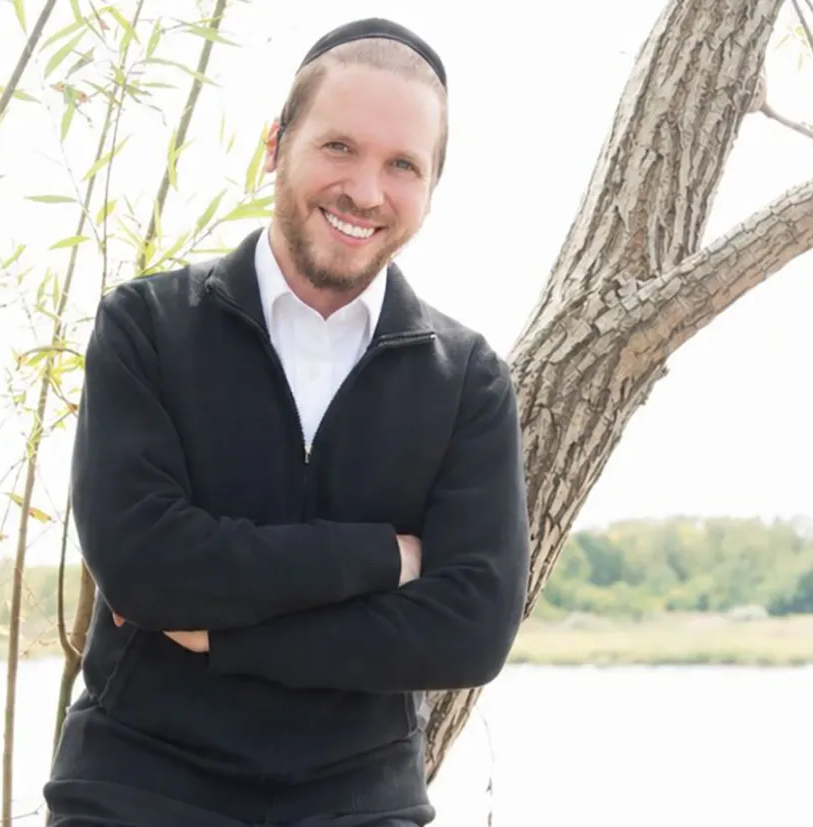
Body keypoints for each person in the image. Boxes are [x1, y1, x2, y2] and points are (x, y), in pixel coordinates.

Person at [44, 16, 530, 827]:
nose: (366, 191)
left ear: (431, 189)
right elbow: (145, 568)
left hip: (359, 803)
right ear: (277, 142)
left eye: (402, 164)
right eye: (339, 147)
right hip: (136, 789)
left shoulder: (468, 379)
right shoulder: (145, 327)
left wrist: (226, 638)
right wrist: (384, 555)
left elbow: (471, 629)